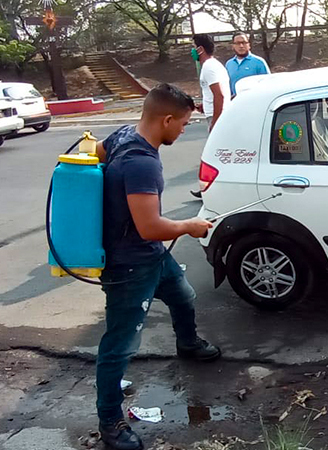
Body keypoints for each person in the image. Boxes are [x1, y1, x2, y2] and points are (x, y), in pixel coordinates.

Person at [93, 83, 221, 450]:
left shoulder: (122, 136)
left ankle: (188, 343)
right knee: (119, 345)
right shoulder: (142, 162)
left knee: (183, 295)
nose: (183, 130)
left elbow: (95, 155)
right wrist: (189, 226)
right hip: (129, 266)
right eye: (182, 124)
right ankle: (112, 423)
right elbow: (150, 226)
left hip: (152, 255)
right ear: (165, 119)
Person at [190, 33, 229, 198]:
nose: (191, 51)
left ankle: (212, 190)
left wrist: (215, 121)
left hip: (218, 116)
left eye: (193, 47)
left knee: (214, 155)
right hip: (214, 113)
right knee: (218, 155)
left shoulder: (209, 67)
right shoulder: (214, 65)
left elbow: (218, 95)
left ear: (200, 49)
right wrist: (204, 107)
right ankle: (212, 188)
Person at [225, 32, 270, 99]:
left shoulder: (259, 62)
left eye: (244, 42)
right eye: (238, 43)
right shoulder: (229, 64)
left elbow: (268, 86)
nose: (241, 46)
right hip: (235, 105)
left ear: (249, 45)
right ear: (233, 46)